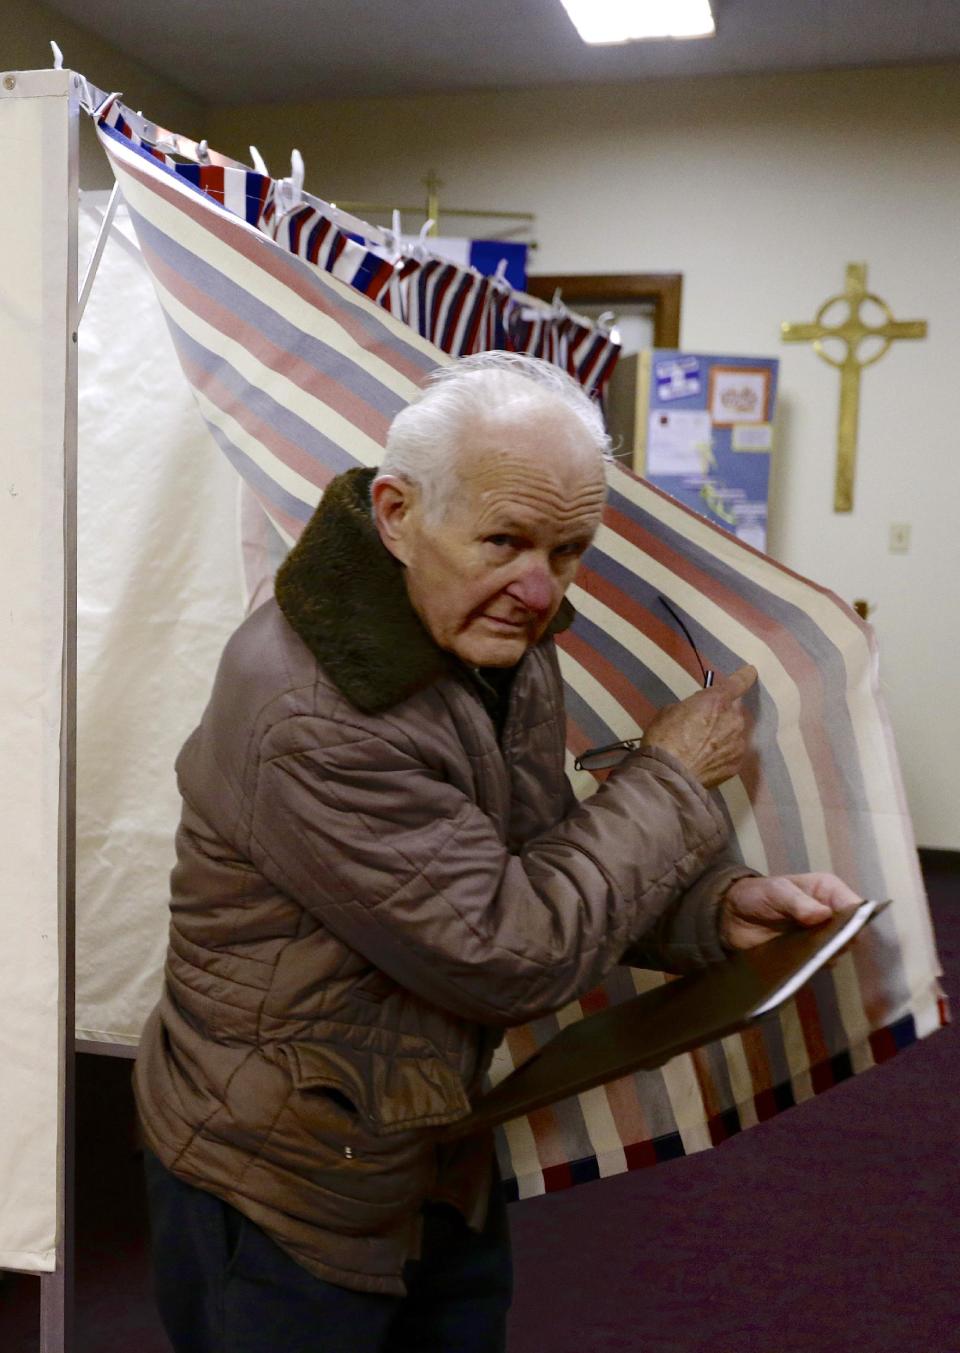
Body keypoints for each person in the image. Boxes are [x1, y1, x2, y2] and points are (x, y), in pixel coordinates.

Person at [136, 352, 859, 1352]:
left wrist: (712, 912)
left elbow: (527, 856)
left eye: (568, 551)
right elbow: (506, 951)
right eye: (506, 541)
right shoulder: (317, 708)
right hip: (287, 1180)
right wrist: (673, 775)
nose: (539, 588)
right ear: (396, 514)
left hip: (422, 1140)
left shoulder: (483, 632)